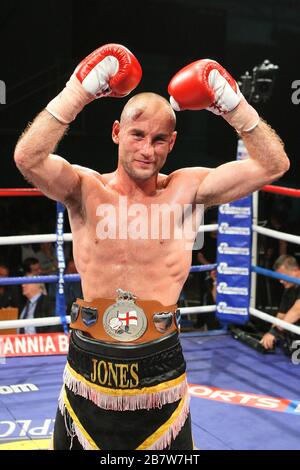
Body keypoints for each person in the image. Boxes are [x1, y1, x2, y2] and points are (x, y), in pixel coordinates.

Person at [14, 43, 289, 450]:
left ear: (173, 143)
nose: (148, 149)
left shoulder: (188, 189)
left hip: (160, 372)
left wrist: (234, 106)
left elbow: (274, 164)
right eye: (138, 135)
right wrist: (79, 91)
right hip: (89, 369)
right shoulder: (85, 188)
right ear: (116, 133)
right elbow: (28, 158)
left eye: (160, 139)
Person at [260, 255, 300, 352]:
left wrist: (274, 332)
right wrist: (270, 334)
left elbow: (297, 310)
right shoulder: (289, 288)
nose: (281, 281)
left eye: (283, 276)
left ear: (295, 271)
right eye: (279, 277)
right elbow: (281, 315)